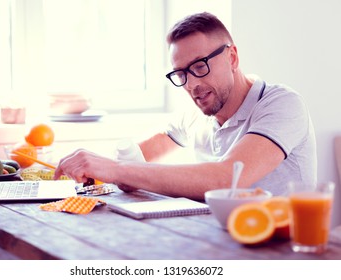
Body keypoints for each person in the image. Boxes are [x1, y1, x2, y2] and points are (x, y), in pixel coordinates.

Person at [54, 12, 317, 200]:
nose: (191, 85)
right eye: (181, 74)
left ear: (232, 57)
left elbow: (226, 178)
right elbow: (139, 156)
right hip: (212, 240)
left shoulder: (281, 104)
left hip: (277, 250)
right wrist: (95, 165)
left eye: (200, 66)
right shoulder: (198, 113)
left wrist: (116, 170)